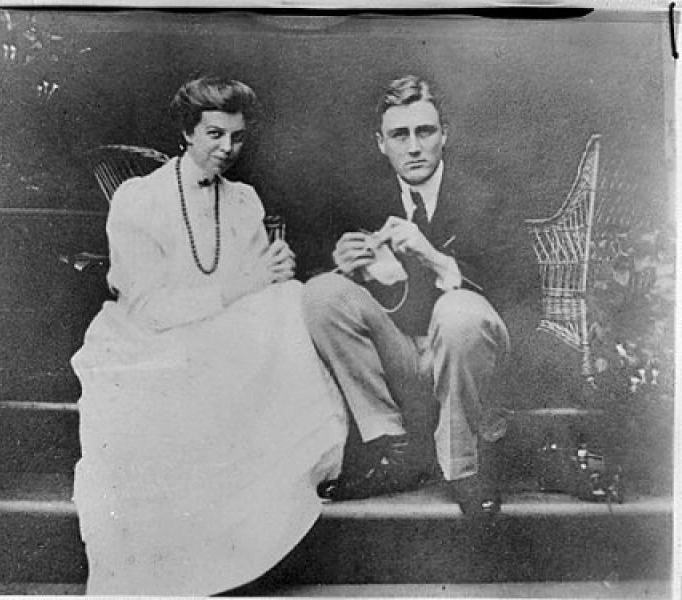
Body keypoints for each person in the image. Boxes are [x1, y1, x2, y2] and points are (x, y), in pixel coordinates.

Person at [71, 75, 347, 595]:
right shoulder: (139, 200)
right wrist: (240, 286)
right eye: (215, 134)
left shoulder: (243, 200)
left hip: (223, 334)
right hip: (148, 338)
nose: (227, 148)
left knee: (288, 302)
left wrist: (274, 270)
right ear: (187, 132)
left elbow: (254, 286)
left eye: (237, 137)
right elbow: (148, 305)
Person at [303, 75, 517, 517]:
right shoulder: (360, 195)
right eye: (400, 135)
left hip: (472, 362)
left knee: (459, 312)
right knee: (323, 293)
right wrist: (347, 265)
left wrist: (434, 257)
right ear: (381, 143)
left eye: (425, 131)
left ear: (445, 135)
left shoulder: (485, 197)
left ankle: (463, 467)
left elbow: (517, 294)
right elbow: (335, 287)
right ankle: (390, 447)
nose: (414, 147)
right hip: (404, 359)